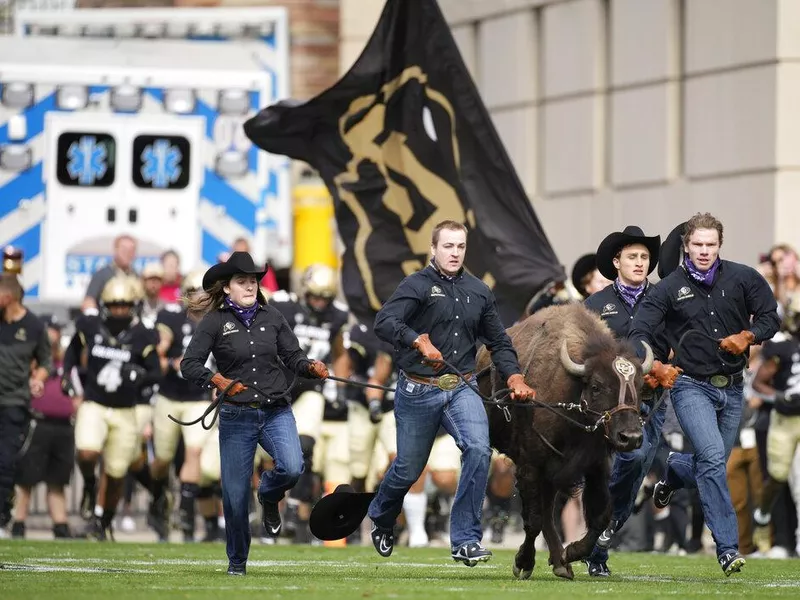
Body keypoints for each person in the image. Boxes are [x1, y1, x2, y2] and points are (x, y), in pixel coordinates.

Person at [368, 220, 536, 566]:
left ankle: (465, 540)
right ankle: (382, 517)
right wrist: (417, 340)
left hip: (461, 386)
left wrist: (515, 376)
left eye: (460, 246)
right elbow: (384, 321)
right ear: (433, 249)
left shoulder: (479, 291)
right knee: (407, 469)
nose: (454, 252)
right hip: (418, 388)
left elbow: (500, 342)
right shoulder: (416, 284)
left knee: (478, 448)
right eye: (448, 246)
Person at [628, 212, 780, 576]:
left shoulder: (744, 278)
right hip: (690, 385)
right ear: (686, 246)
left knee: (711, 463)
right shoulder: (667, 289)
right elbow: (638, 331)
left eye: (711, 245)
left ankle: (674, 472)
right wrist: (654, 366)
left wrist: (747, 336)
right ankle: (728, 548)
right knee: (713, 460)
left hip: (733, 388)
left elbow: (771, 317)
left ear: (720, 246)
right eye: (697, 244)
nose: (704, 251)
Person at [180, 251, 329, 576]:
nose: (249, 286)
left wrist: (310, 367)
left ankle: (269, 494)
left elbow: (293, 356)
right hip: (236, 417)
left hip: (275, 409)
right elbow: (189, 364)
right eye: (241, 281)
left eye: (252, 281)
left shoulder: (273, 317)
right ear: (228, 287)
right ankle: (237, 563)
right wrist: (217, 379)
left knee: (292, 467)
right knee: (233, 497)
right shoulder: (215, 321)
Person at [583, 225, 670, 576]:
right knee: (614, 468)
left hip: (652, 398)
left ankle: (600, 537)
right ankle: (598, 543)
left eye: (645, 257)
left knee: (634, 468)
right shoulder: (595, 305)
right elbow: (581, 348)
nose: (639, 262)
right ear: (616, 261)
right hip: (609, 407)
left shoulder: (665, 298)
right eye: (632, 256)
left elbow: (679, 338)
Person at [62, 274, 162, 541]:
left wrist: (139, 375)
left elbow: (155, 372)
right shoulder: (91, 325)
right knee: (86, 453)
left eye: (125, 305)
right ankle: (90, 487)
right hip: (94, 403)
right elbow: (72, 351)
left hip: (125, 409)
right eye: (115, 304)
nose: (120, 310)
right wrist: (66, 375)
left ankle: (103, 523)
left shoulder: (142, 334)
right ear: (106, 305)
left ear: (134, 306)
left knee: (117, 473)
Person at [270, 264, 349, 543]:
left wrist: (338, 383)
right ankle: (270, 509)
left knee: (305, 446)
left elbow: (339, 351)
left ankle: (295, 509)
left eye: (324, 298)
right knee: (275, 455)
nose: (319, 303)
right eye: (315, 296)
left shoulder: (337, 316)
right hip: (279, 387)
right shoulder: (286, 307)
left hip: (311, 389)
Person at [148, 270, 213, 542]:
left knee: (194, 452)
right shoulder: (170, 317)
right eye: (194, 292)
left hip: (199, 397)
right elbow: (159, 349)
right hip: (170, 396)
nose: (199, 298)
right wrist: (169, 359)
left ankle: (186, 516)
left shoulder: (219, 319)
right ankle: (158, 499)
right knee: (162, 460)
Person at [10, 314, 75, 539]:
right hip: (38, 423)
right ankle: (18, 523)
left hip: (64, 427)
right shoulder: (32, 360)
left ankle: (61, 525)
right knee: (26, 479)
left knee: (57, 481)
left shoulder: (67, 361)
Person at [0, 273, 52, 535]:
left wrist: (38, 379)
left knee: (5, 461)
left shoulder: (33, 326)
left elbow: (46, 362)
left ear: (7, 297)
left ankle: (1, 516)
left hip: (14, 402)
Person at [82, 234, 137, 312]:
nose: (127, 253)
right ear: (116, 250)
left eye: (131, 250)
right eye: (124, 249)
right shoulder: (102, 274)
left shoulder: (136, 276)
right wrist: (92, 313)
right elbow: (89, 300)